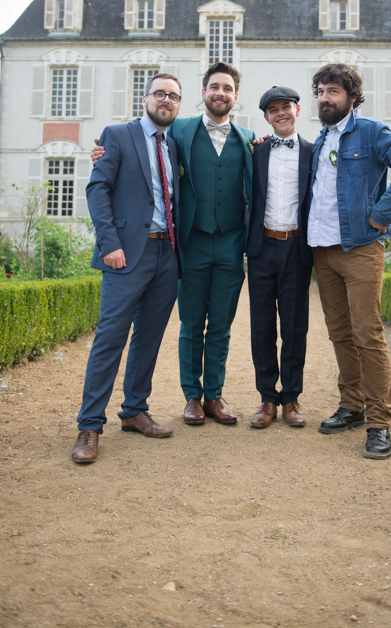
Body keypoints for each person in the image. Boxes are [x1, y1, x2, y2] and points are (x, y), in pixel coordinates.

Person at [91, 62, 254, 427]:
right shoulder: (179, 128)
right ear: (203, 93)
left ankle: (214, 395)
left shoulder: (249, 138)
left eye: (227, 88)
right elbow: (137, 139)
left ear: (235, 96)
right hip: (189, 243)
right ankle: (191, 397)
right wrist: (103, 152)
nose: (220, 93)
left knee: (221, 326)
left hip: (229, 244)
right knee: (190, 324)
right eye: (214, 86)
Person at [309, 63, 391, 459]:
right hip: (322, 250)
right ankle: (352, 406)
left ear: (352, 97)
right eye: (321, 91)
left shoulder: (372, 132)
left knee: (368, 335)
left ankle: (379, 423)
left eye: (333, 91)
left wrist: (383, 213)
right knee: (340, 334)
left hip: (360, 248)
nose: (325, 98)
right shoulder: (321, 139)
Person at [72, 73, 183, 463]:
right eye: (159, 94)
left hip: (167, 253)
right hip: (125, 253)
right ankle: (89, 426)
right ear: (145, 98)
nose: (165, 100)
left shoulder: (174, 144)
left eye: (173, 96)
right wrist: (110, 244)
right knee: (110, 339)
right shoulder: (118, 135)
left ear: (179, 104)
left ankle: (135, 410)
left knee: (148, 338)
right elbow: (97, 189)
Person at [246, 87, 313, 428]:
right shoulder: (255, 151)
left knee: (295, 327)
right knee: (262, 327)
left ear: (297, 110)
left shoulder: (314, 152)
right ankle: (267, 398)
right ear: (266, 117)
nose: (281, 113)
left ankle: (291, 398)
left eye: (286, 106)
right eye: (274, 109)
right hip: (261, 248)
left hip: (297, 248)